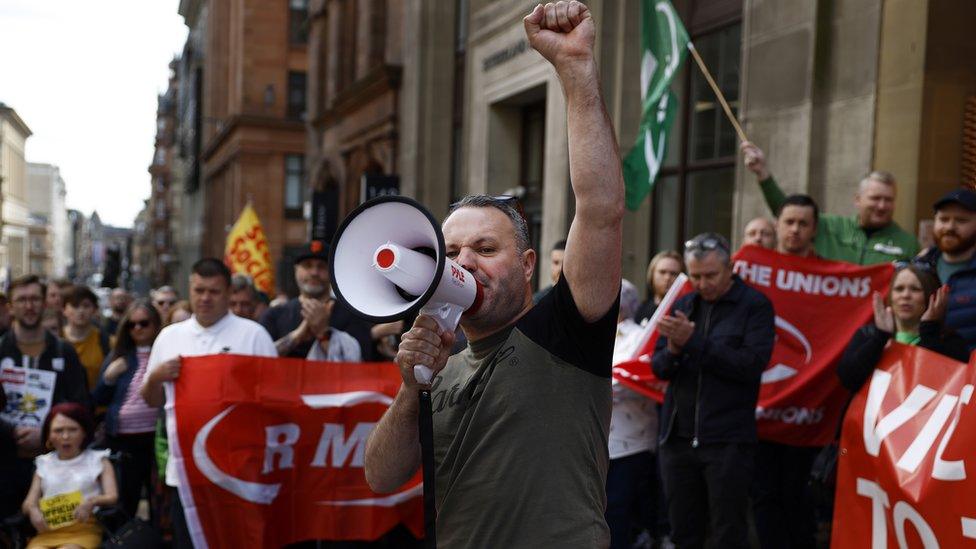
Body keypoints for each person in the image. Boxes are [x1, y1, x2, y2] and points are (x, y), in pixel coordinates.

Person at [364, 3, 624, 546]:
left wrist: (575, 70)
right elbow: (382, 476)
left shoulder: (566, 331)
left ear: (528, 265)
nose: (462, 262)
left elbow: (598, 208)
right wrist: (412, 388)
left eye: (486, 247)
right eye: (450, 250)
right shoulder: (443, 368)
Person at [140, 258, 276, 548]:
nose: (205, 298)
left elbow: (274, 399)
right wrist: (155, 378)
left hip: (238, 471)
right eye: (199, 290)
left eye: (213, 291)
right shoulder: (168, 337)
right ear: (189, 289)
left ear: (228, 293)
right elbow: (151, 400)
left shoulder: (253, 335)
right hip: (186, 473)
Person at [651, 233, 775, 548]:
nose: (703, 284)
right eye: (695, 277)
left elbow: (750, 365)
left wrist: (694, 343)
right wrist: (676, 350)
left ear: (729, 268)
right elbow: (659, 367)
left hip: (727, 443)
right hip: (677, 440)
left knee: (728, 533)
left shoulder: (755, 306)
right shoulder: (683, 304)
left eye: (710, 276)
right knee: (682, 533)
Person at [751, 194, 821, 549]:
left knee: (798, 498)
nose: (794, 229)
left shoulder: (830, 280)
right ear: (777, 225)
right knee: (764, 498)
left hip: (805, 412)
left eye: (803, 223)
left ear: (814, 230)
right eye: (789, 222)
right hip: (757, 411)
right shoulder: (748, 269)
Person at [0, 276, 91, 516]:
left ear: (45, 303)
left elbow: (80, 405)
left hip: (55, 464)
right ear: (10, 306)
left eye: (34, 299)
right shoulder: (1, 350)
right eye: (21, 300)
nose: (29, 306)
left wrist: (46, 432)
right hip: (5, 462)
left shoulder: (64, 351)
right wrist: (11, 431)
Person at [741, 141, 918, 264]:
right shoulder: (830, 226)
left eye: (888, 200)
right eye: (875, 198)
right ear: (857, 199)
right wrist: (763, 173)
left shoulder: (909, 244)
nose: (882, 205)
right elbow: (788, 212)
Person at [837, 264, 968, 393]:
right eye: (899, 289)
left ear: (932, 296)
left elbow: (945, 386)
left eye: (915, 289)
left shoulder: (950, 341)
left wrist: (930, 331)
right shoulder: (868, 335)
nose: (905, 295)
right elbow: (849, 380)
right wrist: (880, 337)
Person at [92, 300, 162, 520]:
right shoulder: (118, 356)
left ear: (155, 325)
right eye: (132, 325)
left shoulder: (165, 352)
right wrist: (109, 378)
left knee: (159, 504)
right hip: (124, 440)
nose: (138, 329)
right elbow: (97, 399)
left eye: (144, 323)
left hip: (157, 438)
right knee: (125, 503)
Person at [20, 403, 118, 549]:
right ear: (49, 435)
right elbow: (28, 503)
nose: (65, 436)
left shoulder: (98, 459)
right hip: (47, 530)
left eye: (72, 429)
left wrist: (91, 502)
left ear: (84, 432)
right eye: (58, 431)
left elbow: (112, 496)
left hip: (83, 528)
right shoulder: (43, 463)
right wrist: (33, 511)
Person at [607, 280, 658, 549]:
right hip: (593, 438)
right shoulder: (587, 332)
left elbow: (641, 380)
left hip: (631, 440)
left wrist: (598, 388)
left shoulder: (642, 336)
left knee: (619, 507)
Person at [259, 241, 372, 359]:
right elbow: (260, 359)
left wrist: (323, 333)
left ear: (332, 271)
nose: (314, 273)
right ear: (296, 270)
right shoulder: (274, 314)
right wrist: (297, 336)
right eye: (307, 265)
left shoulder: (353, 316)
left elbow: (361, 364)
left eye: (321, 266)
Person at [916, 189, 976, 351]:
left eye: (961, 221)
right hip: (918, 369)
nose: (950, 227)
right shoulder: (918, 267)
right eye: (943, 219)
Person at [61, 285, 111, 392]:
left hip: (97, 406)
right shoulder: (55, 340)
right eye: (75, 306)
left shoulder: (107, 341)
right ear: (64, 309)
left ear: (94, 309)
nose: (81, 311)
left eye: (86, 306)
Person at [635, 250, 684, 324]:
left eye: (673, 274)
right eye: (662, 272)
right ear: (652, 274)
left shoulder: (686, 311)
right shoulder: (641, 309)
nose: (667, 278)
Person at [532, 239, 566, 303]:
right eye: (556, 262)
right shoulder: (538, 300)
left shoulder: (579, 301)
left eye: (565, 263)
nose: (560, 268)